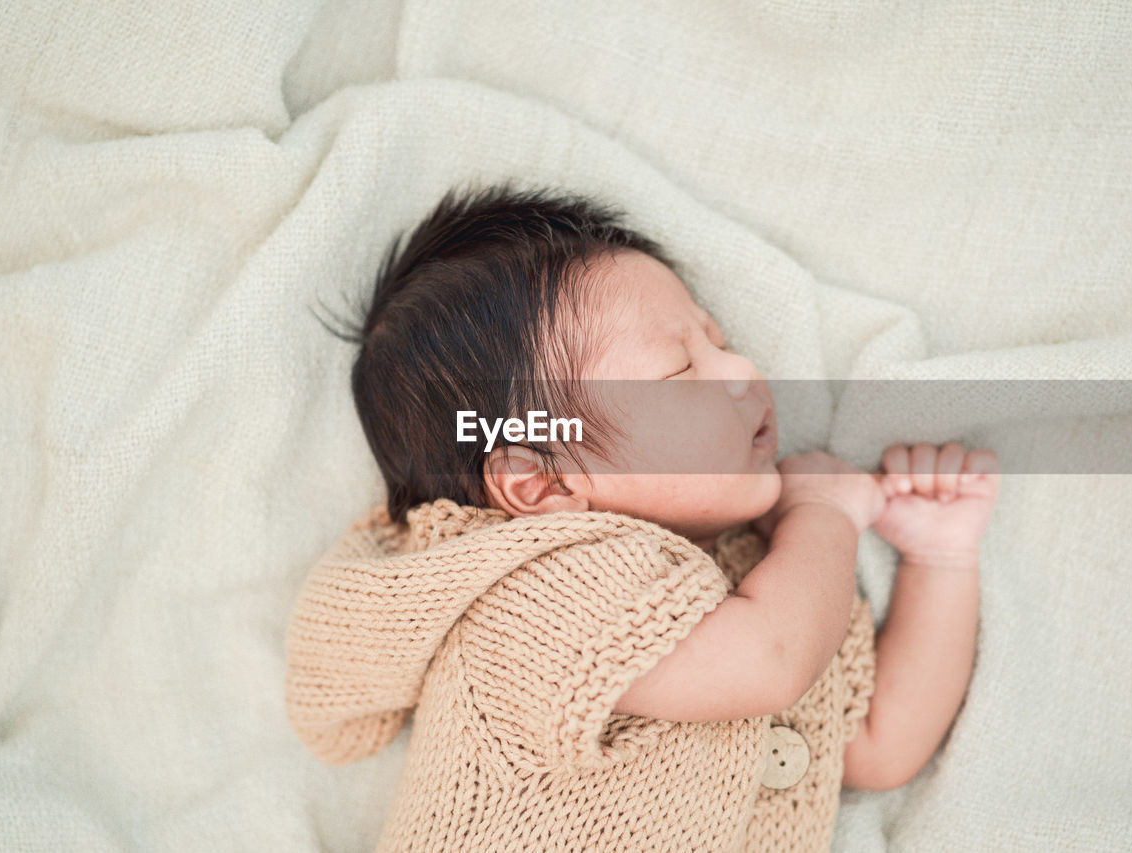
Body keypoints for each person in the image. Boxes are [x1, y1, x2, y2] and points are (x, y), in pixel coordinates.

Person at [287, 182, 1000, 851]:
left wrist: (939, 562)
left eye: (717, 341)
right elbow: (771, 660)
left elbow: (878, 745)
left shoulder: (767, 578)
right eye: (680, 371)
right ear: (539, 483)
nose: (742, 369)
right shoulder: (529, 596)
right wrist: (823, 515)